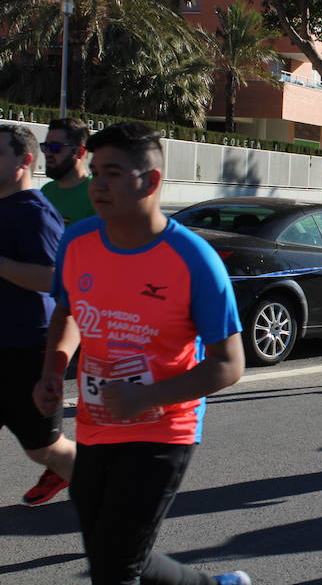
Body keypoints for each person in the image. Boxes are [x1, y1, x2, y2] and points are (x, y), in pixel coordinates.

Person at [32, 122, 250, 585]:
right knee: (118, 558)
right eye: (95, 172)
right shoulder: (78, 241)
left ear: (150, 181)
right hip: (94, 426)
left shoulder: (194, 259)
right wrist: (53, 370)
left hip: (164, 429)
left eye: (112, 173)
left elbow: (229, 364)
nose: (98, 184)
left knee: (115, 568)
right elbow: (67, 313)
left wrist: (144, 397)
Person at [0, 124, 76, 507]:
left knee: (44, 448)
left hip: (25, 351)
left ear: (24, 160)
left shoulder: (35, 212)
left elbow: (54, 279)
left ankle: (116, 501)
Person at [40, 117, 95, 228]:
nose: (48, 153)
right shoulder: (45, 191)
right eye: (45, 146)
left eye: (55, 147)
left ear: (80, 151)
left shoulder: (97, 195)